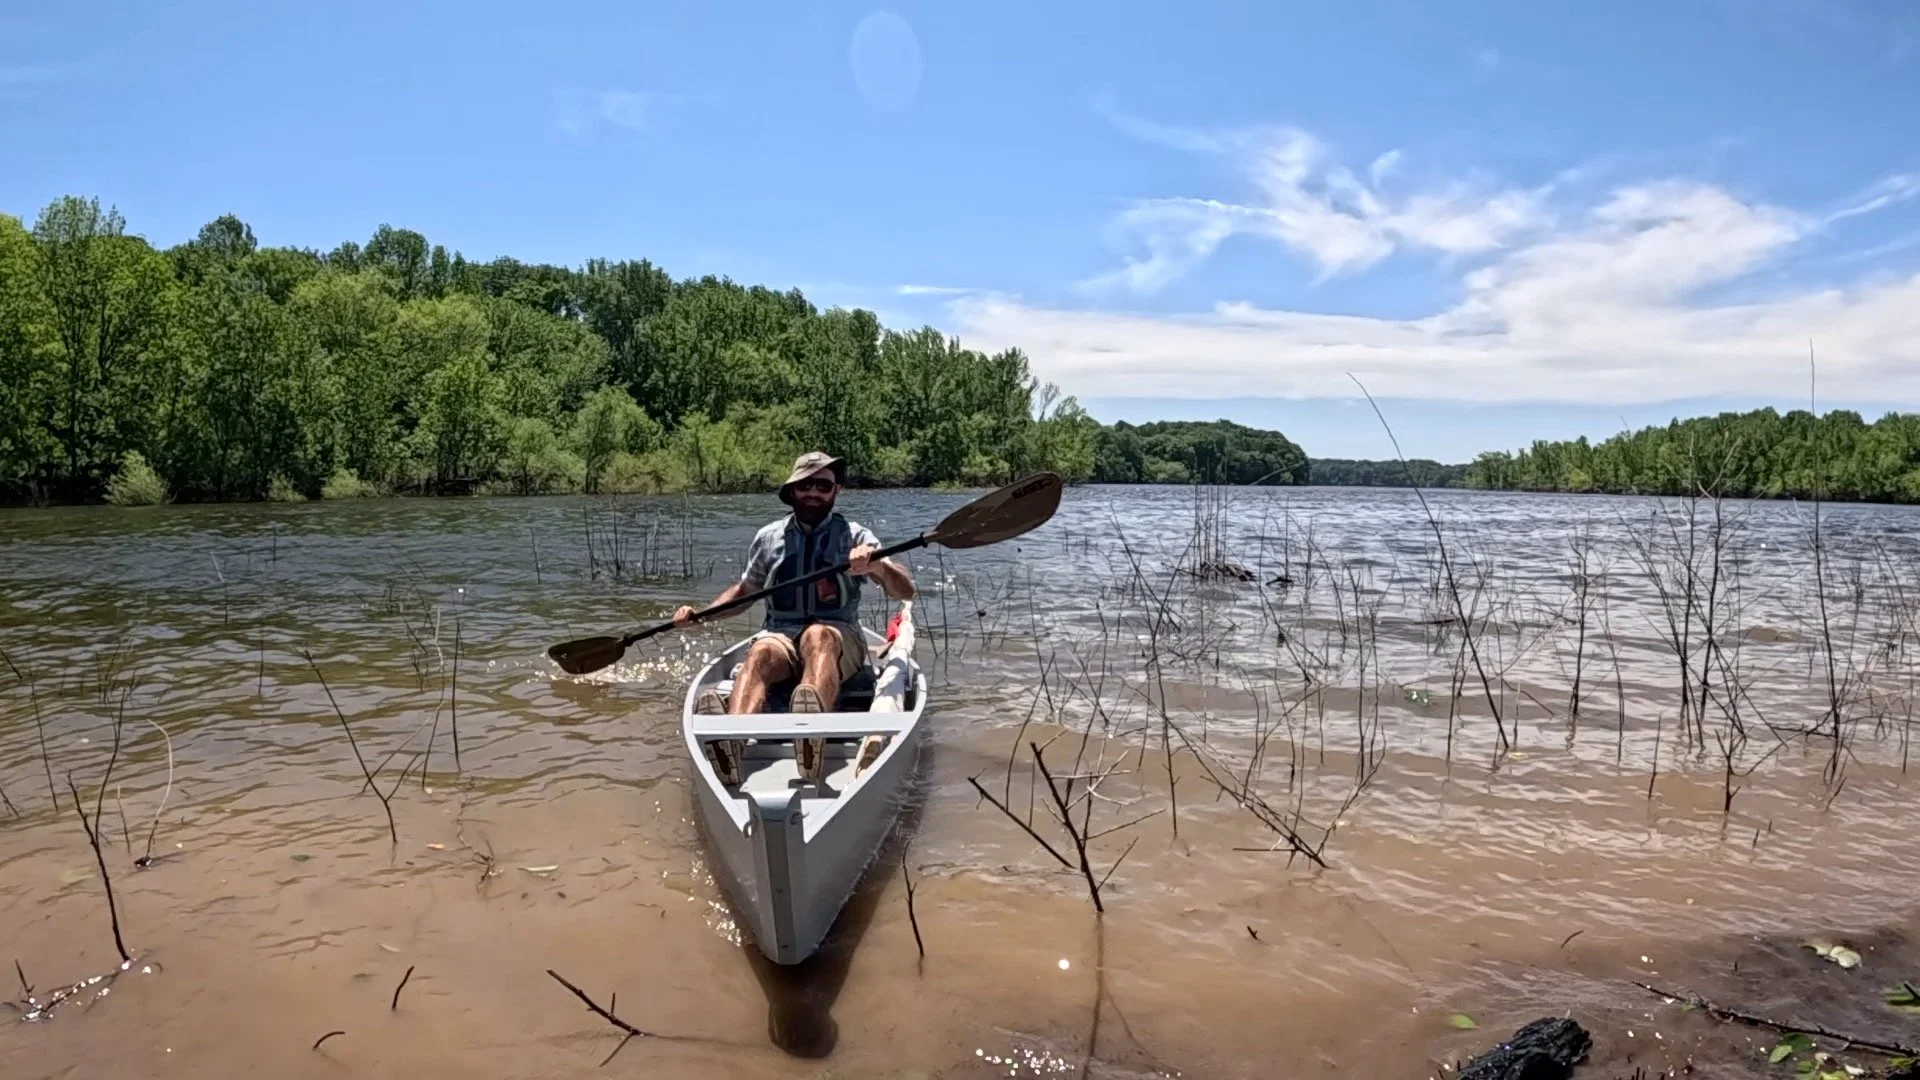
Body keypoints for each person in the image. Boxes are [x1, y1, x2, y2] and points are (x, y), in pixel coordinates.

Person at [675, 451, 915, 782]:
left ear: (836, 491)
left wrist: (878, 565)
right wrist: (702, 614)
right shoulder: (768, 537)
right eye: (806, 485)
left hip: (839, 635)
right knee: (760, 652)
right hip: (780, 634)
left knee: (819, 636)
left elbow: (905, 590)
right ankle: (732, 743)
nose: (814, 492)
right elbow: (746, 590)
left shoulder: (856, 536)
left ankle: (811, 734)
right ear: (792, 491)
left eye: (823, 485)